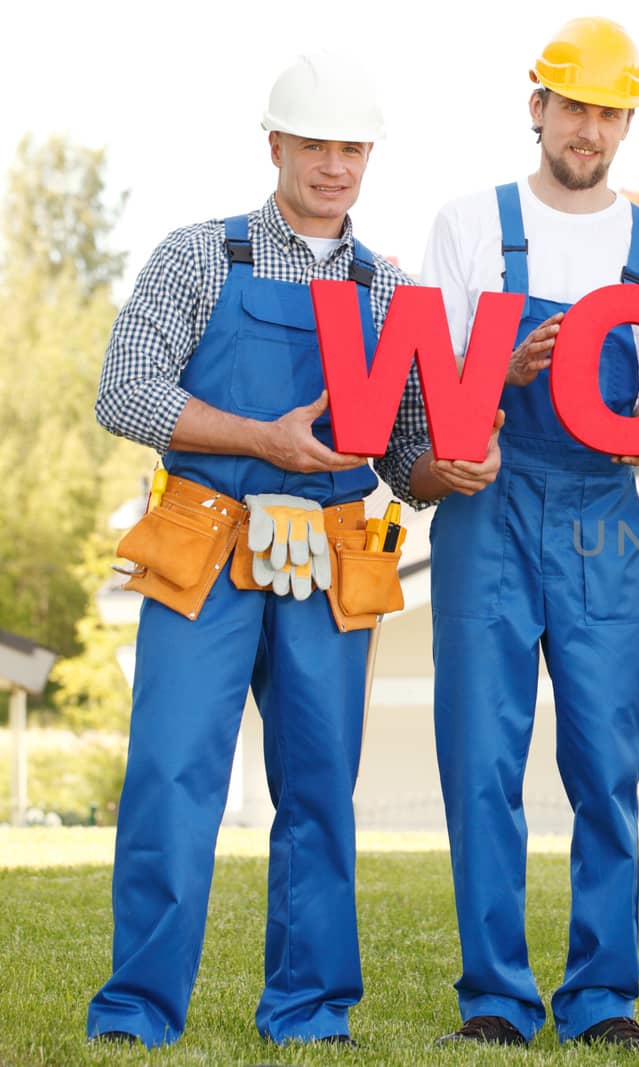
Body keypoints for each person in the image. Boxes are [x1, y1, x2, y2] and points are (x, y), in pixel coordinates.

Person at [86, 53, 499, 1048]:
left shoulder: (394, 291)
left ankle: (310, 1009)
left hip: (331, 558)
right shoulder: (199, 256)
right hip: (205, 546)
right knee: (171, 775)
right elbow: (125, 391)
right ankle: (138, 1012)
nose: (332, 164)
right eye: (312, 143)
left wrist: (444, 472)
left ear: (368, 157)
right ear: (274, 144)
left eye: (349, 147)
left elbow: (402, 454)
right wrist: (260, 437)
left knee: (319, 786)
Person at [421, 16, 639, 1052]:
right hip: (488, 504)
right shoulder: (468, 224)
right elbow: (429, 393)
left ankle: (601, 993)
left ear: (625, 124)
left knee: (605, 757)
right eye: (571, 105)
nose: (587, 126)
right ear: (536, 107)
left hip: (602, 519)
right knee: (481, 756)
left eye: (606, 111)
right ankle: (495, 993)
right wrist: (505, 373)